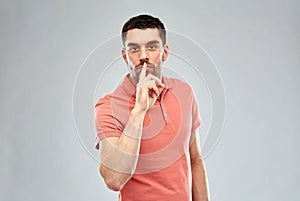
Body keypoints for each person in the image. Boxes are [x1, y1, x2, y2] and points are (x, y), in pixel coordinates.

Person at [94, 14, 210, 201]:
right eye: (134, 49)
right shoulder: (108, 106)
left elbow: (195, 159)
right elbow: (114, 179)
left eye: (152, 47)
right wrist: (139, 110)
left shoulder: (184, 93)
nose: (143, 56)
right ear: (125, 56)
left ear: (165, 52)